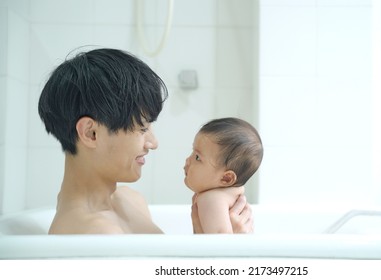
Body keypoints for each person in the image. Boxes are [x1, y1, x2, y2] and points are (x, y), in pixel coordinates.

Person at [38, 48, 253, 234]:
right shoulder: (95, 232)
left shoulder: (130, 200)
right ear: (91, 133)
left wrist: (206, 237)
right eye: (142, 128)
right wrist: (230, 251)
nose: (153, 142)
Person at [184, 117, 263, 233]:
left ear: (226, 178)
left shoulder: (211, 200)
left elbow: (220, 247)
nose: (188, 160)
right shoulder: (231, 194)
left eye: (197, 157)